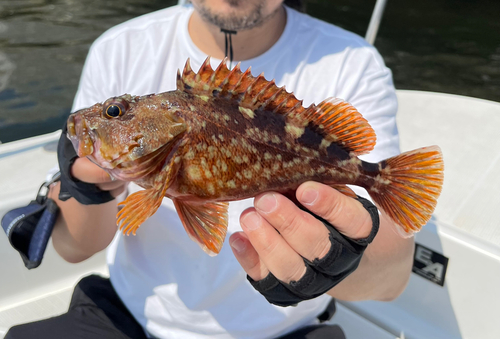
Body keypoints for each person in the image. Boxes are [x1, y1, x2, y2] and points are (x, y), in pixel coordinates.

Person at [6, 0, 414, 338]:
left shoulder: (354, 62)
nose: (107, 118)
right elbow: (74, 247)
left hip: (286, 330)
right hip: (129, 317)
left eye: (115, 113)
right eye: (116, 110)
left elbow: (393, 279)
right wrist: (85, 184)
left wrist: (343, 260)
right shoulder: (120, 48)